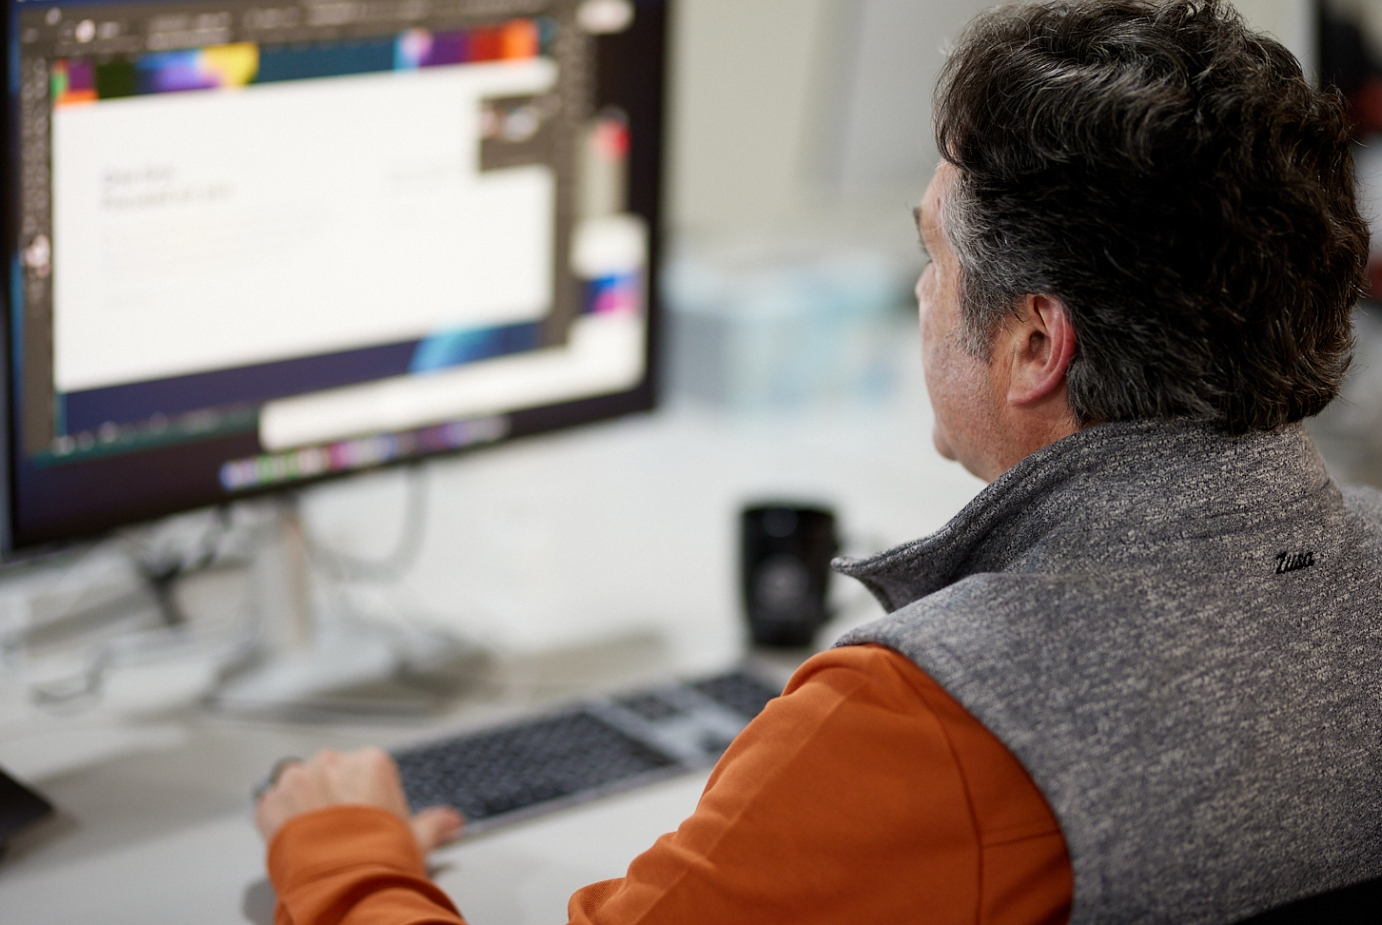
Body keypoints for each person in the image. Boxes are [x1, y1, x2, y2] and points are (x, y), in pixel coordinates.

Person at [254, 1, 1382, 923]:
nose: (917, 290)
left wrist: (341, 850)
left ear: (1035, 345)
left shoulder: (922, 721)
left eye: (929, 252)